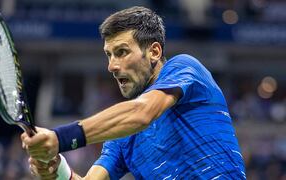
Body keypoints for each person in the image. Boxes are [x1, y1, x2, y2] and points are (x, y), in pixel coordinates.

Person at [21, 6, 246, 179]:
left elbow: (142, 113)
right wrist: (55, 169)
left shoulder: (185, 68)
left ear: (154, 52)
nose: (112, 66)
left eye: (122, 52)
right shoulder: (122, 136)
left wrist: (60, 138)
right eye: (109, 55)